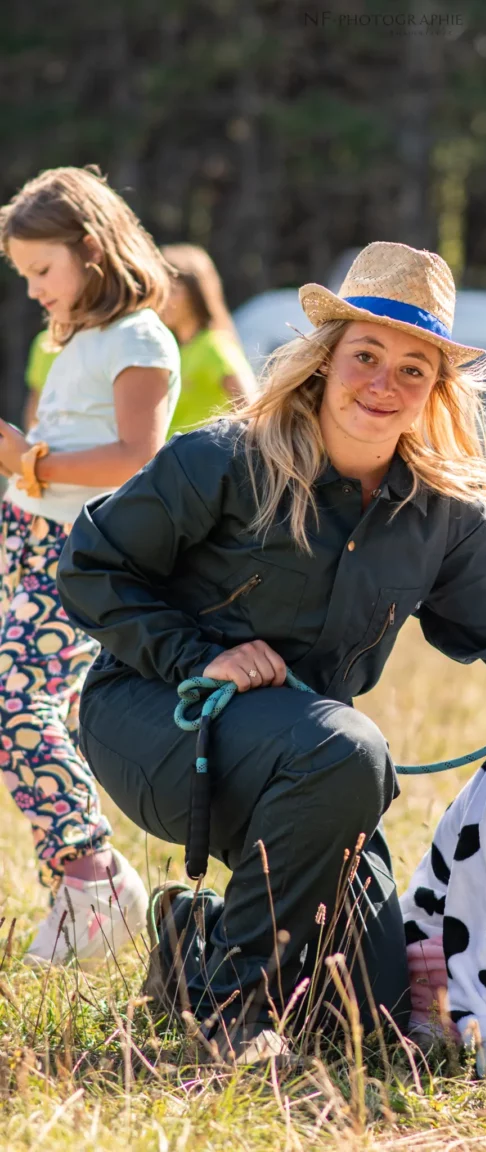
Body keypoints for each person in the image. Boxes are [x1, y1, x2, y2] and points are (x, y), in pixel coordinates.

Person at [56, 241, 486, 1064]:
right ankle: (232, 1015)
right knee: (351, 751)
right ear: (324, 361)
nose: (384, 383)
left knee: (374, 1018)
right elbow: (89, 565)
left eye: (413, 369)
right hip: (156, 719)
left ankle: (190, 943)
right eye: (367, 356)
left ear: (436, 391)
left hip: (312, 776)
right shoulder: (224, 459)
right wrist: (194, 653)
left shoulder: (443, 512)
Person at [0, 166, 181, 966]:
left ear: (92, 249)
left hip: (78, 555)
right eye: (26, 275)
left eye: (43, 270)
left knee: (17, 704)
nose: (36, 290)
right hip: (30, 541)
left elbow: (135, 458)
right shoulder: (75, 337)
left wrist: (27, 460)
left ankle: (92, 876)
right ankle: (86, 887)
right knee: (35, 708)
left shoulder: (141, 337)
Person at [160, 244, 255, 437]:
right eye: (162, 289)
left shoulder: (216, 346)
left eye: (174, 289)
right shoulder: (172, 351)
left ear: (196, 292)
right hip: (170, 464)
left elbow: (253, 412)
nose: (165, 299)